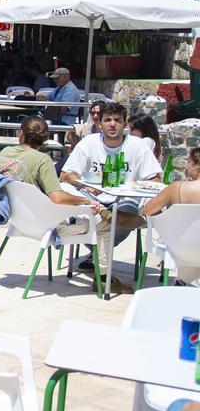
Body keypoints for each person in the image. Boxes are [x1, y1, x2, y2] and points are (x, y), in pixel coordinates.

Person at [60, 102, 162, 293]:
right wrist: (86, 186)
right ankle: (104, 273)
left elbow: (155, 178)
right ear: (100, 124)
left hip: (124, 200)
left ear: (125, 124)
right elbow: (66, 175)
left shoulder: (137, 146)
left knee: (122, 213)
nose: (112, 124)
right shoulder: (89, 143)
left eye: (117, 120)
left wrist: (131, 187)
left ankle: (103, 270)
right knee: (67, 191)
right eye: (108, 120)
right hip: (92, 199)